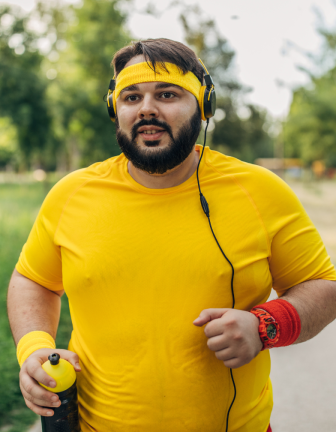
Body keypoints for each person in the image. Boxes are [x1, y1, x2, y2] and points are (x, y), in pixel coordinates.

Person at [7, 38, 336, 432]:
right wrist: (34, 347)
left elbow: (322, 286)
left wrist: (264, 325)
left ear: (203, 106)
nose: (147, 108)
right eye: (131, 97)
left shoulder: (260, 191)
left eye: (166, 94)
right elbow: (33, 279)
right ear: (116, 111)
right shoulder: (71, 194)